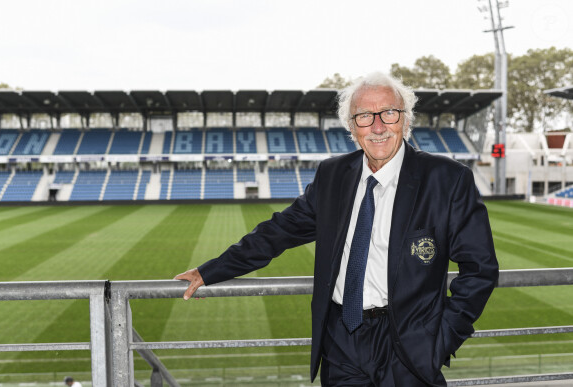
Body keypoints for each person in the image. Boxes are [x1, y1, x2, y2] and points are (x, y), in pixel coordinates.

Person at [174, 71, 499, 387]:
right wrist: (210, 270)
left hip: (409, 346)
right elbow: (279, 231)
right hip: (342, 342)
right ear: (351, 126)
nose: (377, 127)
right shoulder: (333, 176)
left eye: (388, 113)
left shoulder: (447, 179)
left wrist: (440, 341)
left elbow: (480, 269)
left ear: (406, 119)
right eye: (364, 116)